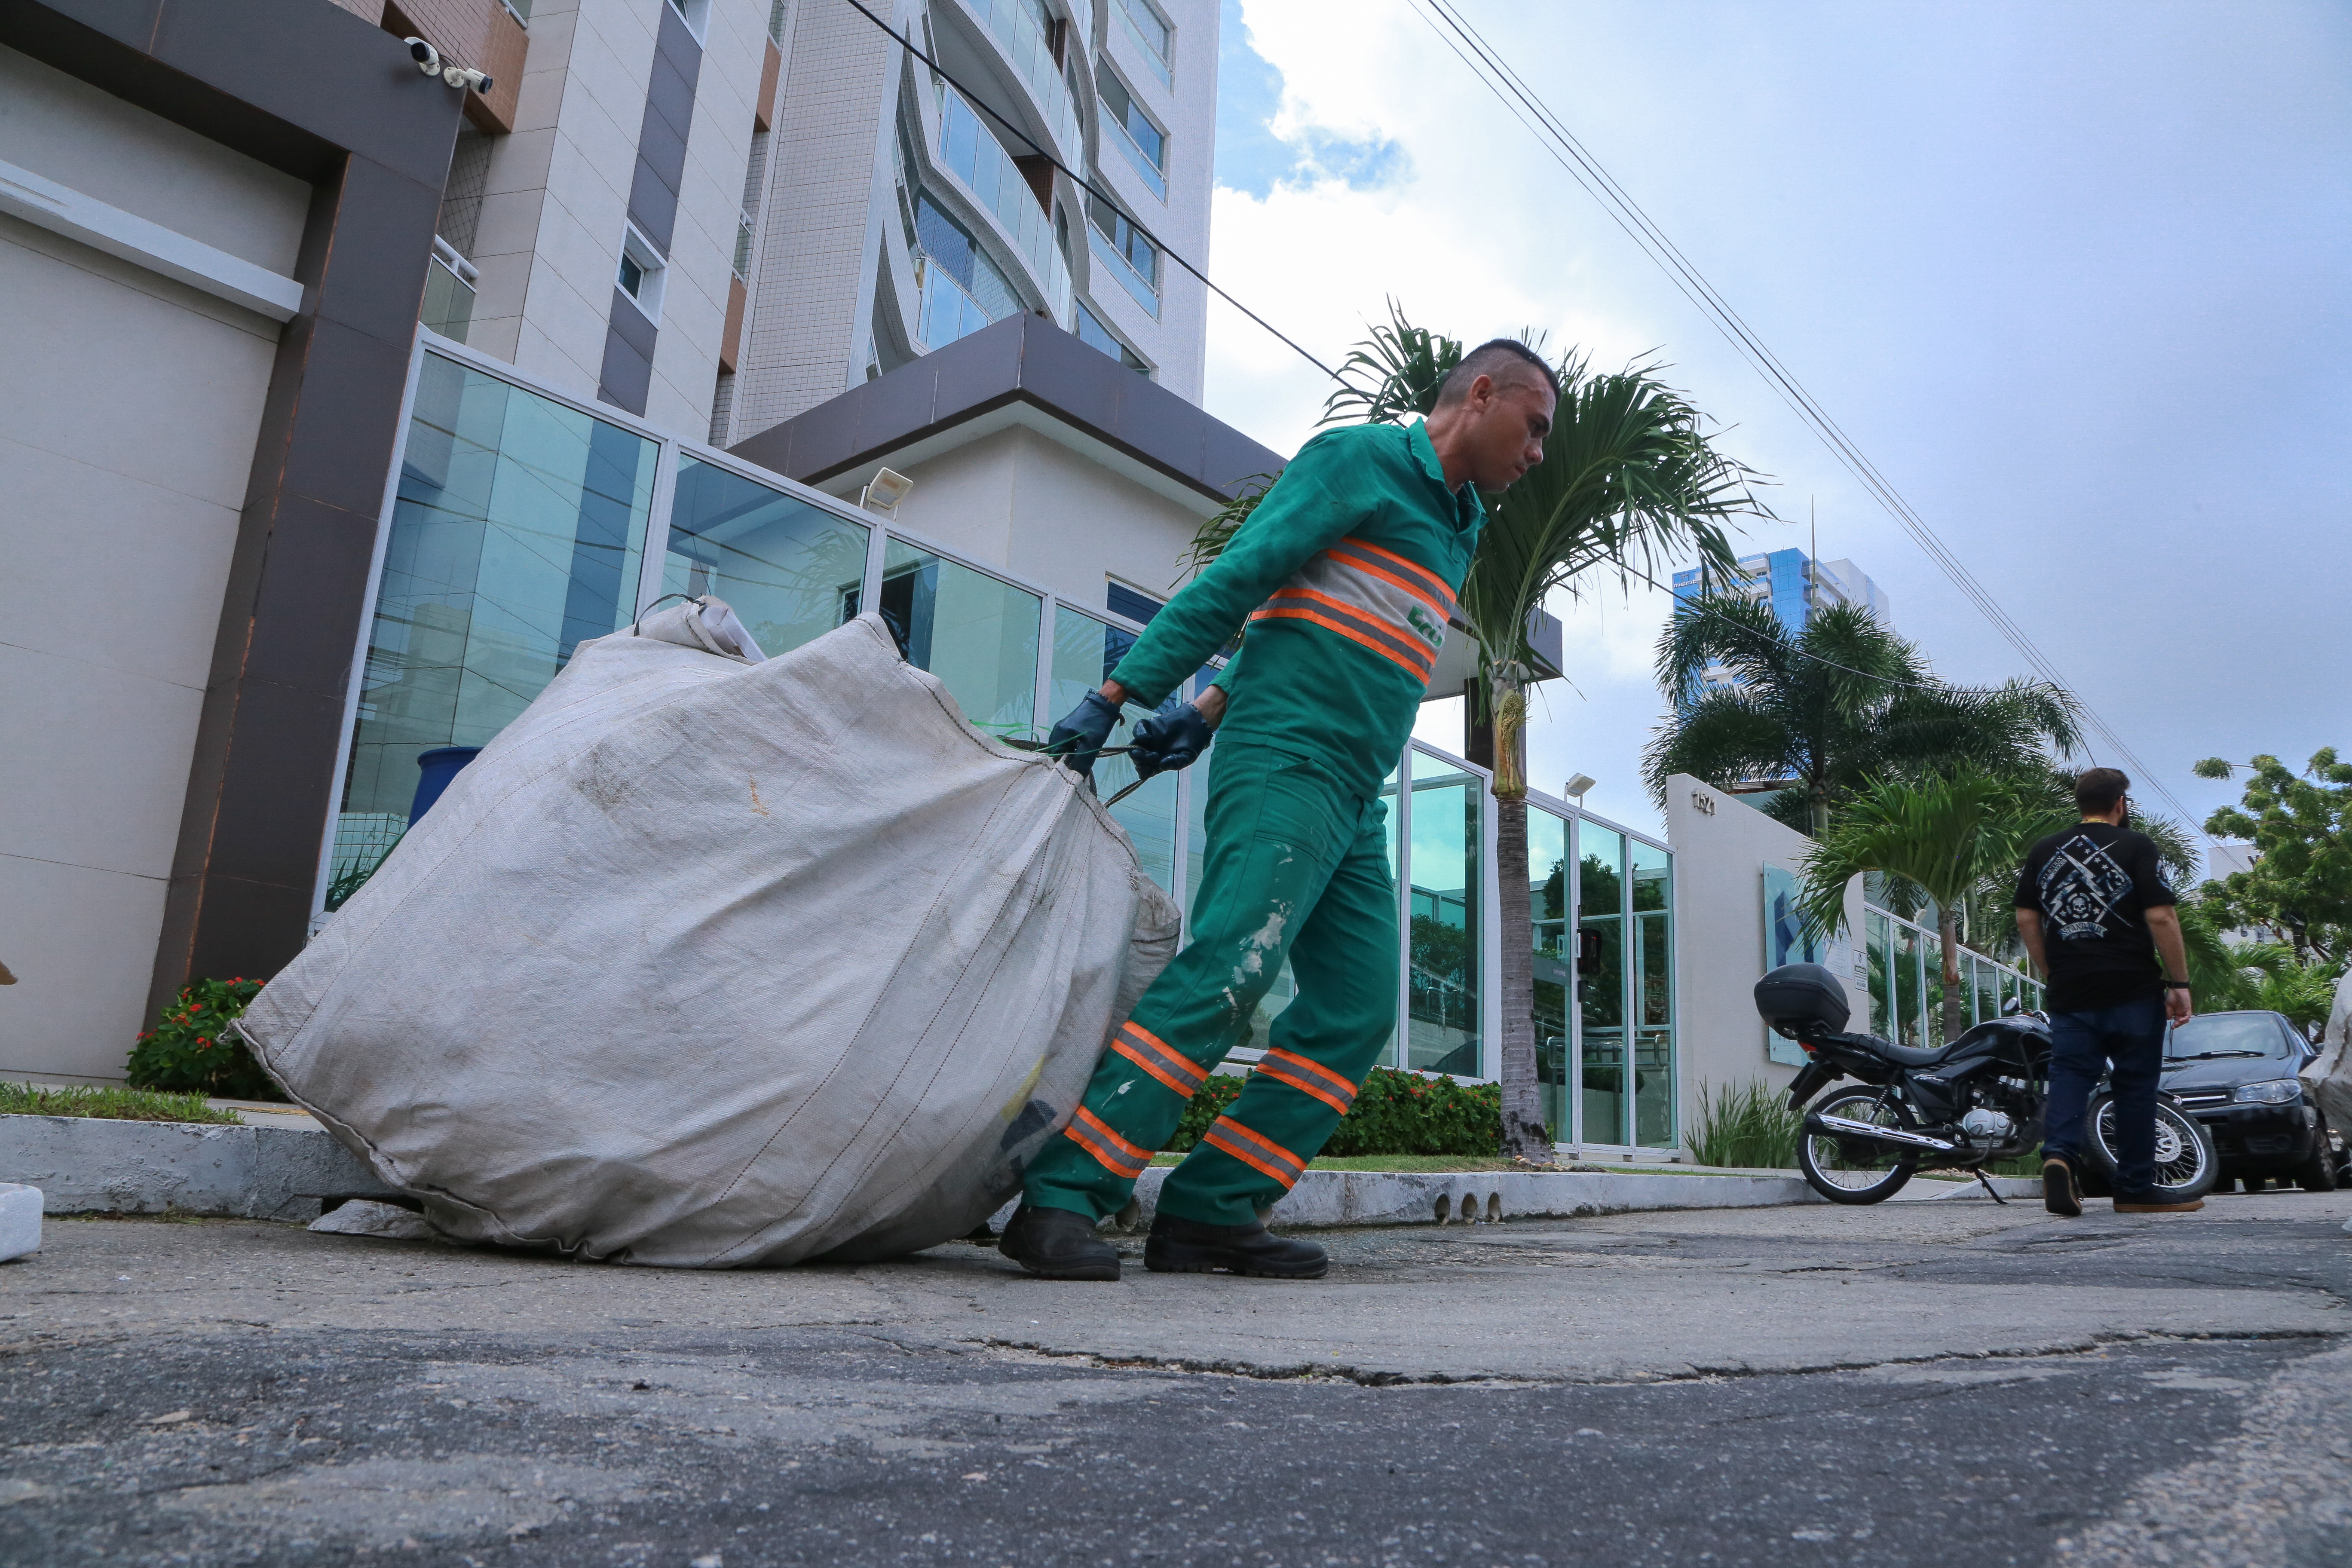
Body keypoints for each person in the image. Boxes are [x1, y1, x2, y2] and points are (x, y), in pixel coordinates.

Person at [998, 341, 1559, 1281]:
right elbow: (1246, 578)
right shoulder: (1359, 462)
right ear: (1483, 393)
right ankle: (1060, 1195)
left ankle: (1212, 1211)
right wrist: (1122, 694)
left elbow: (1312, 611)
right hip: (1287, 758)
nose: (1538, 452)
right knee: (1231, 965)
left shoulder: (1460, 527)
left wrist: (1205, 708)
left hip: (1354, 795)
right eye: (1535, 427)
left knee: (1355, 1008)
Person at [2014, 767, 2200, 1216]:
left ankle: (2059, 1155)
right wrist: (2179, 983)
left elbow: (2026, 918)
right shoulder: (2137, 846)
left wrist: (2053, 971)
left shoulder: (2044, 850)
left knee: (2071, 1075)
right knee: (2135, 1084)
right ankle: (2135, 1187)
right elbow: (2161, 918)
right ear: (2121, 803)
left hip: (2072, 991)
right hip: (2131, 987)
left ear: (2081, 804)